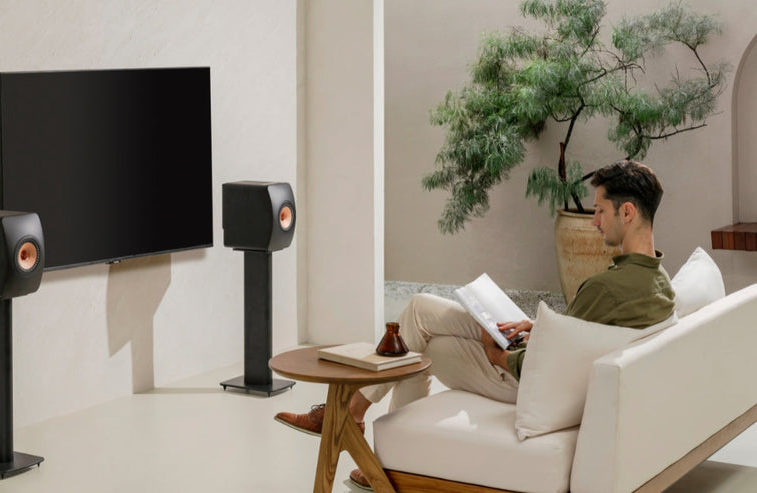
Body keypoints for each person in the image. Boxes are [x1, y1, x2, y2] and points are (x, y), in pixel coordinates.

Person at [274, 160, 676, 490]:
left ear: (627, 211)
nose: (594, 222)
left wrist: (496, 354)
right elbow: (584, 336)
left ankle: (353, 424)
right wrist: (538, 327)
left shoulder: (607, 288)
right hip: (543, 361)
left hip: (525, 380)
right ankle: (368, 437)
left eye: (600, 211)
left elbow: (551, 365)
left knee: (423, 341)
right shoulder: (659, 285)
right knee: (419, 313)